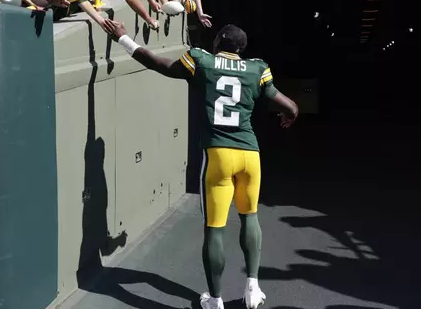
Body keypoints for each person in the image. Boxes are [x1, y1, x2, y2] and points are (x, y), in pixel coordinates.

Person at [111, 22, 298, 309]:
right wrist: (290, 116)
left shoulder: (202, 60)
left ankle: (215, 299)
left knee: (214, 228)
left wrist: (123, 38)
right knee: (250, 217)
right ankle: (253, 289)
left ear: (220, 41)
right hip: (250, 155)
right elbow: (289, 106)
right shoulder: (257, 68)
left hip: (219, 154)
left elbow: (159, 64)